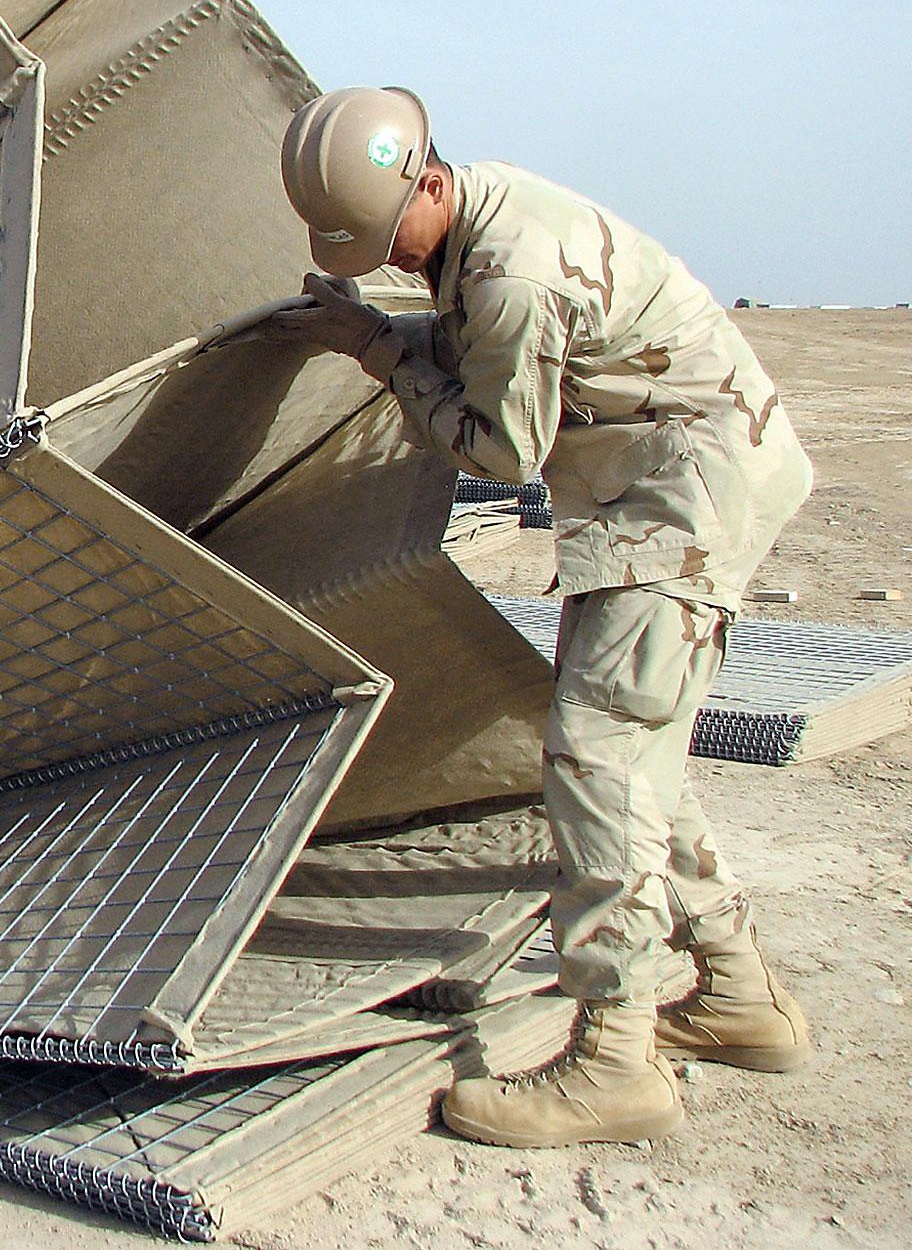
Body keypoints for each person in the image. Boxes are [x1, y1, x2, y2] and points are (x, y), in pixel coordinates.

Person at [267, 88, 813, 1149]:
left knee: (596, 760)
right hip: (665, 481)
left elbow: (498, 450)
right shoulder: (481, 218)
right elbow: (472, 339)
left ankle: (615, 1059)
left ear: (425, 179)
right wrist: (385, 327)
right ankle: (740, 998)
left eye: (382, 239)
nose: (380, 260)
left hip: (681, 497)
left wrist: (377, 353)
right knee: (631, 751)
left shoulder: (512, 271)